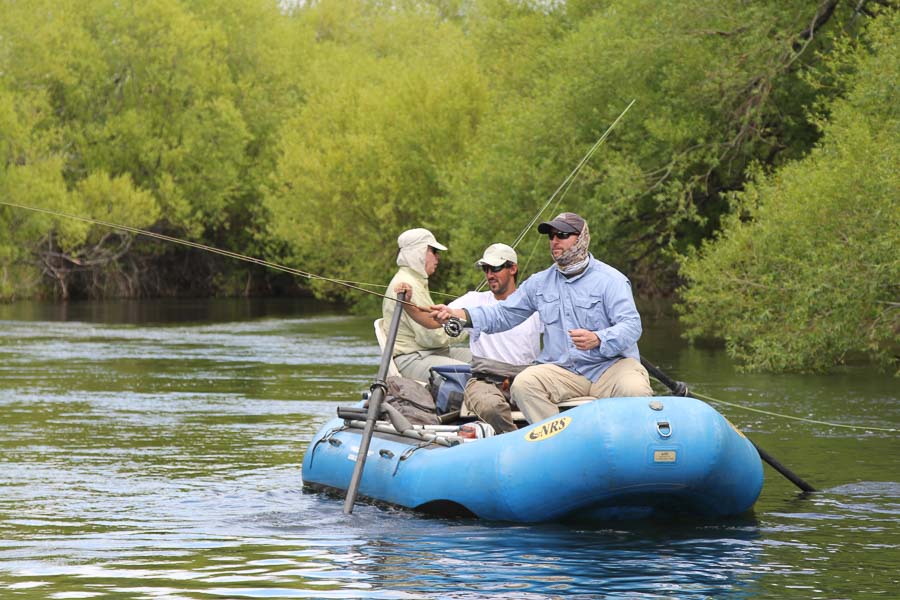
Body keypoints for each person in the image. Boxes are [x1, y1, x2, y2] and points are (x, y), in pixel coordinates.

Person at [430, 212, 653, 424]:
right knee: (524, 384)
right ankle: (557, 443)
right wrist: (459, 315)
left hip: (610, 367)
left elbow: (632, 326)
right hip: (563, 370)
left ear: (582, 239)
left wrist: (598, 338)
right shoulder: (539, 283)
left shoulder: (611, 280)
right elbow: (502, 314)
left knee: (635, 389)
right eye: (551, 236)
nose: (555, 241)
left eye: (563, 235)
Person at [444, 243, 542, 433]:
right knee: (491, 407)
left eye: (495, 268)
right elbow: (431, 321)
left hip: (526, 379)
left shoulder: (533, 304)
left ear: (513, 268)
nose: (489, 275)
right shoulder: (473, 300)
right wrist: (410, 304)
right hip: (485, 381)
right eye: (486, 269)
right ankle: (517, 440)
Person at [383, 228, 471, 381]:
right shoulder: (408, 284)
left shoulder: (415, 281)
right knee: (473, 375)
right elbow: (431, 338)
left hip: (432, 353)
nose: (438, 257)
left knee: (486, 361)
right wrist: (469, 326)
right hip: (413, 359)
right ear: (419, 252)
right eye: (434, 251)